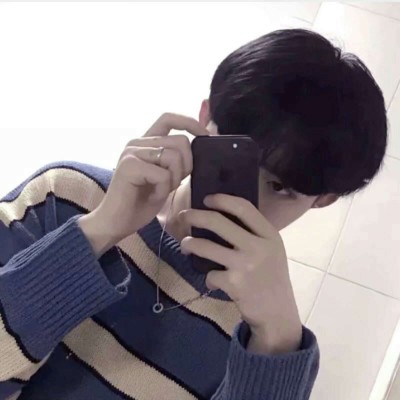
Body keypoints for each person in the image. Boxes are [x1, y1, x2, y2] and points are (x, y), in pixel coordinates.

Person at [0, 28, 387, 400]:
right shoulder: (65, 194)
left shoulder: (267, 334)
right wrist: (96, 232)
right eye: (233, 157)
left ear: (323, 200)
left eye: (280, 187)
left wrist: (275, 345)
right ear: (205, 116)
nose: (244, 200)